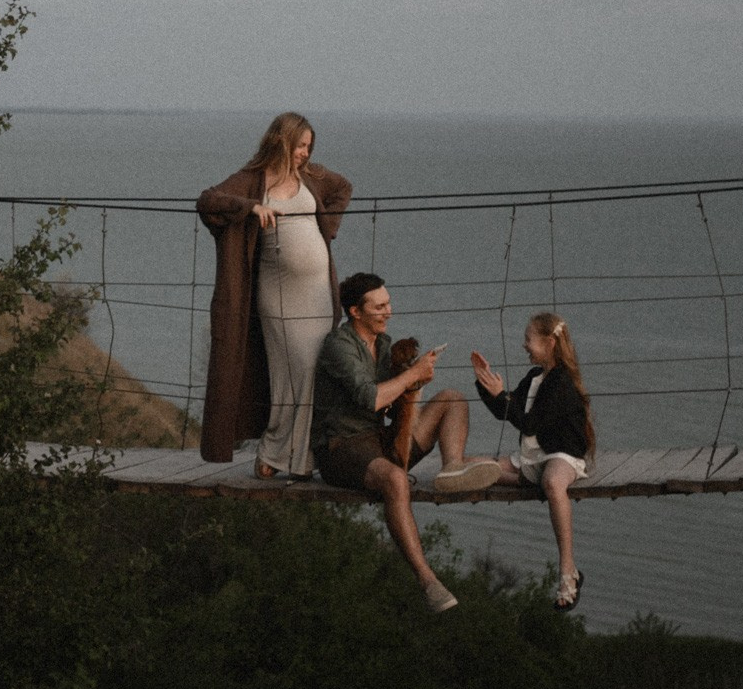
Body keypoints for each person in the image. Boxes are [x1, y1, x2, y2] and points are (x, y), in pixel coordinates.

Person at [312, 272, 505, 612]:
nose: (389, 312)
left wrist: (417, 382)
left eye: (389, 304)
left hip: (380, 441)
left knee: (452, 399)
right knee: (395, 479)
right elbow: (370, 398)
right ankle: (428, 581)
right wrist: (411, 376)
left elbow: (392, 401)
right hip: (343, 446)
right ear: (356, 312)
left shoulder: (385, 345)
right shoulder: (338, 346)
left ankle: (453, 466)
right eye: (380, 306)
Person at [195, 113, 352, 475]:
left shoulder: (311, 176)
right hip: (279, 293)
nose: (305, 153)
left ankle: (301, 459)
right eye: (300, 145)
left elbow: (344, 187)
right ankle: (273, 452)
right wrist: (250, 206)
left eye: (309, 147)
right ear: (282, 141)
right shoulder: (252, 180)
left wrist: (326, 228)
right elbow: (208, 201)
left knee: (316, 373)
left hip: (319, 294)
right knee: (290, 374)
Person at [470, 312, 597, 612]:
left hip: (563, 456)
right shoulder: (534, 378)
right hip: (533, 457)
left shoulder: (561, 382)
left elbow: (528, 424)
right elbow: (507, 412)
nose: (524, 345)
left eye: (528, 339)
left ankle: (569, 572)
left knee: (553, 482)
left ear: (549, 343)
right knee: (469, 465)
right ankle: (521, 478)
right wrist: (487, 388)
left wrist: (503, 395)